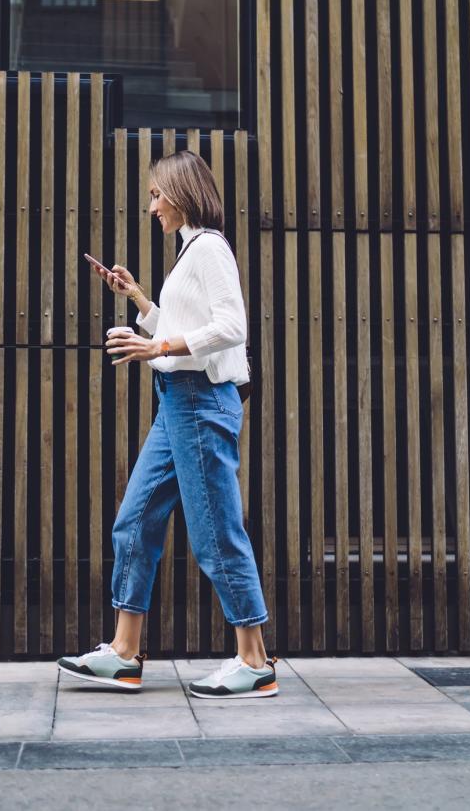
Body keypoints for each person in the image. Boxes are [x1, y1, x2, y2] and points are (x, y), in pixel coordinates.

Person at [56, 150, 278, 699]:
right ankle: (124, 654)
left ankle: (255, 661)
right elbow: (182, 330)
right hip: (177, 402)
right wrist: (137, 299)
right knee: (135, 521)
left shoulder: (210, 248)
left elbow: (230, 327)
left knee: (215, 533)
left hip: (202, 403)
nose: (152, 206)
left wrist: (156, 344)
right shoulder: (187, 254)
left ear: (182, 190)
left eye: (157, 194)